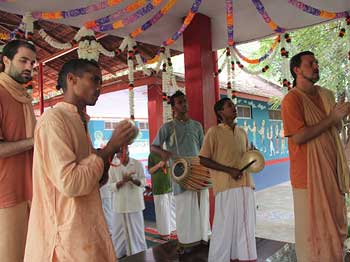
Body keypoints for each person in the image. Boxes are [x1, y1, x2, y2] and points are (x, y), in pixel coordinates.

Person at [24, 59, 136, 261]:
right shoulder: (53, 120)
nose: (99, 87)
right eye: (95, 80)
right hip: (65, 238)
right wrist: (110, 147)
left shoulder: (79, 120)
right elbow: (71, 183)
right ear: (71, 79)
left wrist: (112, 150)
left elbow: (94, 180)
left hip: (84, 231)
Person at [281, 51, 350, 262]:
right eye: (310, 63)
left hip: (331, 170)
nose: (316, 66)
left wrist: (340, 115)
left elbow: (335, 128)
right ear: (297, 70)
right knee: (310, 234)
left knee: (334, 227)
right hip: (307, 178)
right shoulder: (291, 100)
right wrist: (332, 117)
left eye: (316, 62)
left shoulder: (325, 95)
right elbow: (300, 137)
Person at [151, 90, 211, 253]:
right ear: (173, 107)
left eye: (185, 101)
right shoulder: (167, 127)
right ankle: (186, 241)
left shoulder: (197, 126)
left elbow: (204, 149)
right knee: (184, 207)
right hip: (180, 173)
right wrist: (164, 153)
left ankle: (203, 237)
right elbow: (153, 146)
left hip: (198, 171)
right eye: (180, 102)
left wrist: (206, 169)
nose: (184, 104)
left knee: (202, 204)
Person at [199, 97, 257, 262]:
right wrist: (228, 170)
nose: (234, 107)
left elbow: (246, 157)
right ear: (220, 112)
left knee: (245, 226)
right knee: (224, 228)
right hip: (226, 187)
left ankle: (242, 257)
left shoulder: (242, 132)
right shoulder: (214, 132)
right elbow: (203, 159)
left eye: (233, 105)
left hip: (246, 185)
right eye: (229, 106)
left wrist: (254, 154)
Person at [0, 40, 36, 262]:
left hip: (30, 189)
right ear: (5, 60)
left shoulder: (24, 97)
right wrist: (36, 140)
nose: (29, 67)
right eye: (23, 60)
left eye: (32, 62)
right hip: (6, 194)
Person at [107, 146, 147, 258]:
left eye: (124, 154)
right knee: (119, 231)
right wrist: (122, 182)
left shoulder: (137, 164)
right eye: (119, 155)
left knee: (137, 230)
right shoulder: (113, 166)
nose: (121, 158)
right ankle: (119, 252)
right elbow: (110, 186)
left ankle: (138, 252)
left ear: (128, 152)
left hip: (135, 203)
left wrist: (133, 180)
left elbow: (143, 181)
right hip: (120, 204)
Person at [148, 152, 176, 240]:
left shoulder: (169, 154)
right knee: (162, 211)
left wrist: (169, 164)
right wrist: (159, 165)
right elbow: (150, 171)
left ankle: (173, 229)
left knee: (172, 210)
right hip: (159, 187)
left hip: (170, 186)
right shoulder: (152, 155)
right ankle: (164, 233)